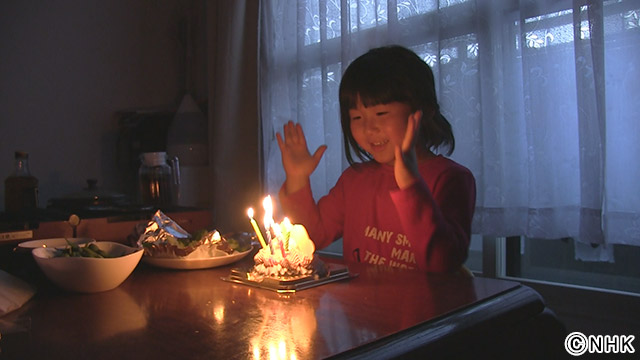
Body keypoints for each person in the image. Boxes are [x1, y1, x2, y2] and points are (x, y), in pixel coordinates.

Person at [276, 45, 476, 273]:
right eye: (357, 117)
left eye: (381, 114)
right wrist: (297, 178)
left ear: (424, 110)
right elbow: (311, 237)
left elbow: (443, 262)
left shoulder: (451, 178)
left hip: (427, 308)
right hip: (360, 308)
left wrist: (410, 184)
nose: (369, 128)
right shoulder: (355, 180)